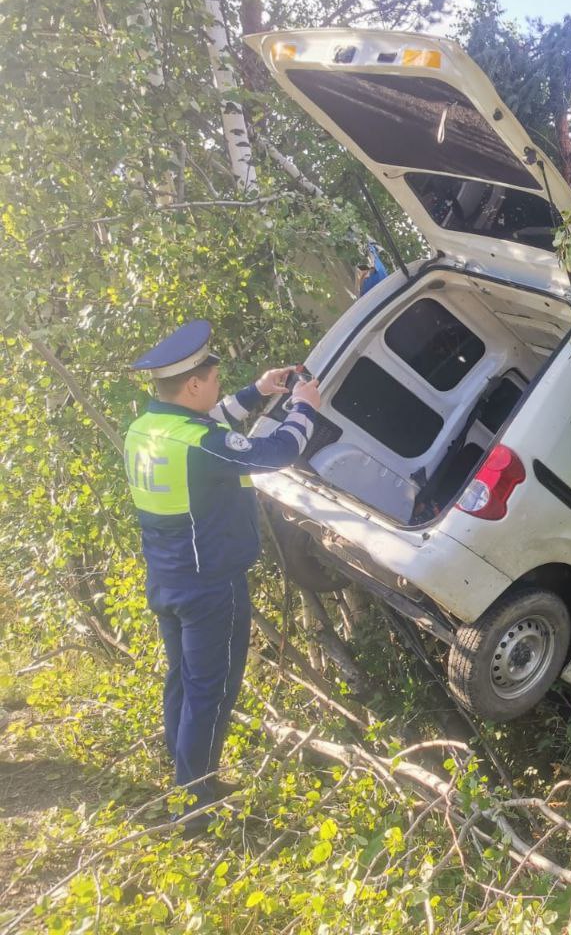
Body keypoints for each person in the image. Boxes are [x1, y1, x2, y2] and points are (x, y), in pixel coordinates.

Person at [123, 319, 322, 830]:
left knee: (184, 684)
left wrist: (257, 391)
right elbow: (276, 452)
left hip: (168, 580)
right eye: (212, 379)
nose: (217, 387)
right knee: (211, 692)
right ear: (192, 384)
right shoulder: (200, 443)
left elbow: (209, 424)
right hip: (211, 585)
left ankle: (192, 779)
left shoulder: (147, 428)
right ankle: (195, 805)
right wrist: (304, 406)